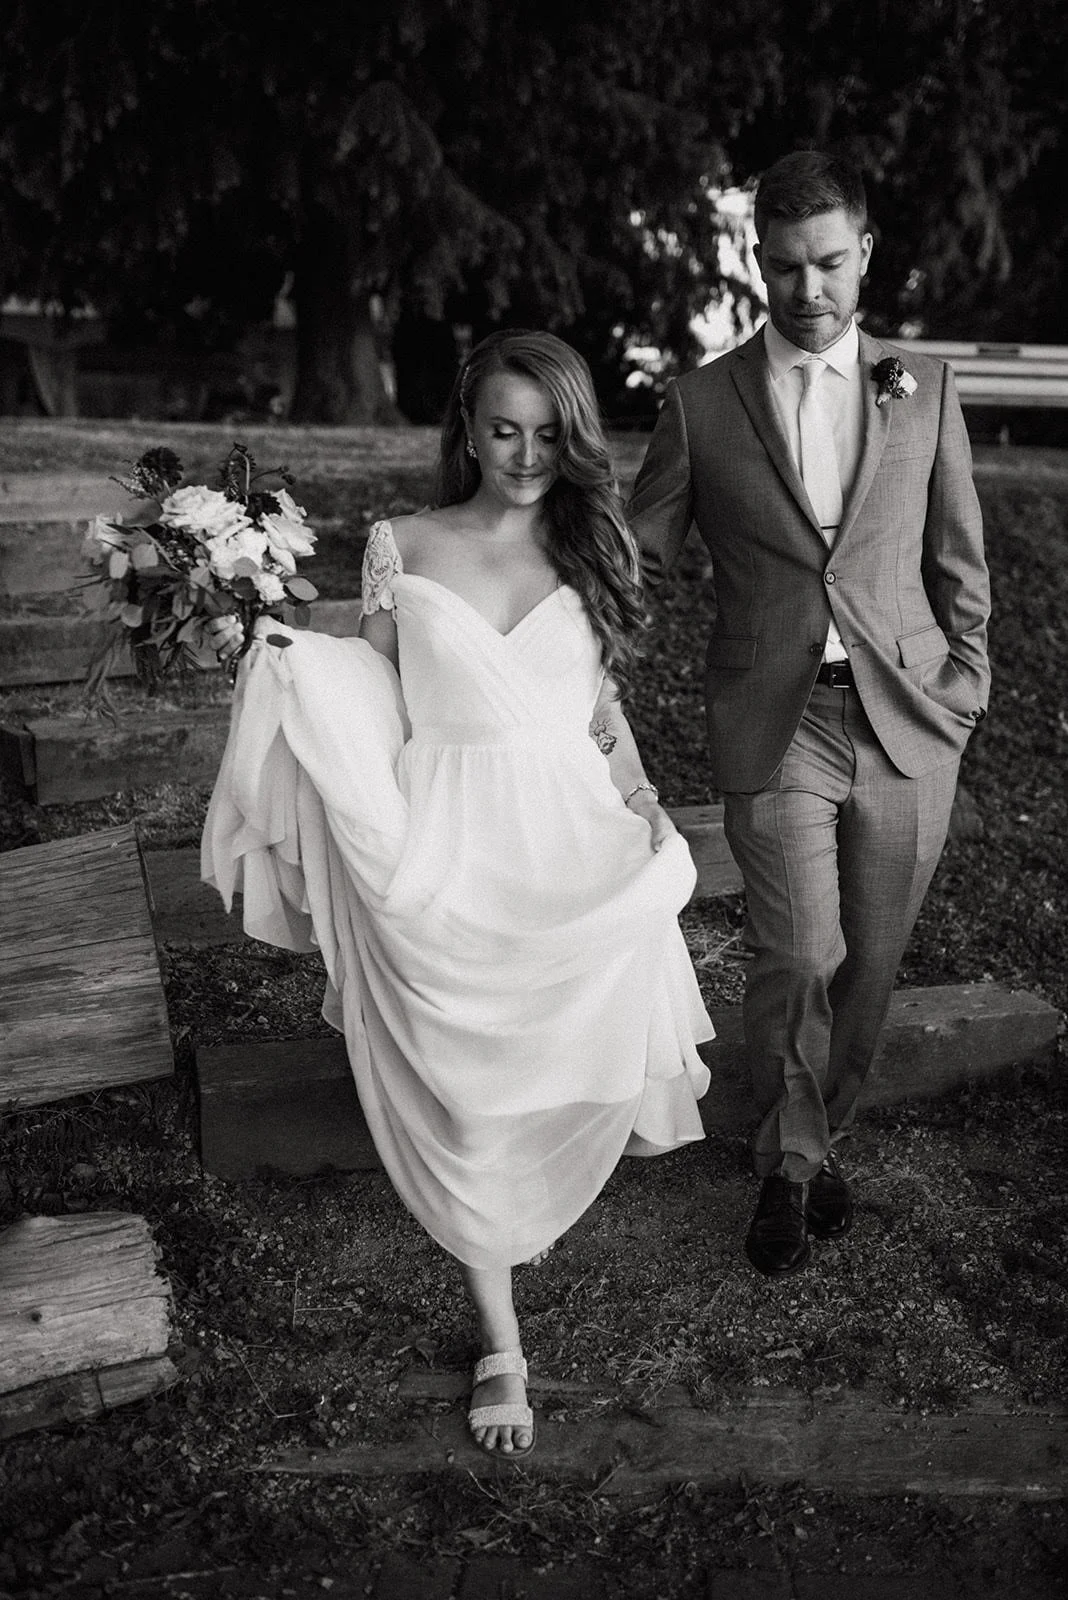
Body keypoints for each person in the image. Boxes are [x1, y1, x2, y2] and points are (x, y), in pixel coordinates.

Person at [202, 329, 714, 1458]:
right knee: (467, 1087)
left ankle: (522, 1218)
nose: (525, 454)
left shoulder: (595, 541)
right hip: (445, 832)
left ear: (572, 436)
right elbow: (373, 687)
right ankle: (501, 1336)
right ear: (466, 428)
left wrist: (641, 795)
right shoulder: (403, 543)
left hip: (566, 825)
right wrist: (279, 648)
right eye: (502, 429)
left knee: (541, 1057)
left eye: (547, 433)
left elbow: (600, 711)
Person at [626, 150, 990, 1278]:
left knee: (870, 965)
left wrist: (964, 690)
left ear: (865, 253)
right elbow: (635, 559)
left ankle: (814, 1133)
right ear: (758, 263)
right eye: (785, 267)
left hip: (909, 721)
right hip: (775, 721)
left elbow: (959, 559)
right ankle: (788, 1171)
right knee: (798, 950)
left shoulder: (922, 385)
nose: (809, 289)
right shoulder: (701, 402)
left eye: (830, 263)